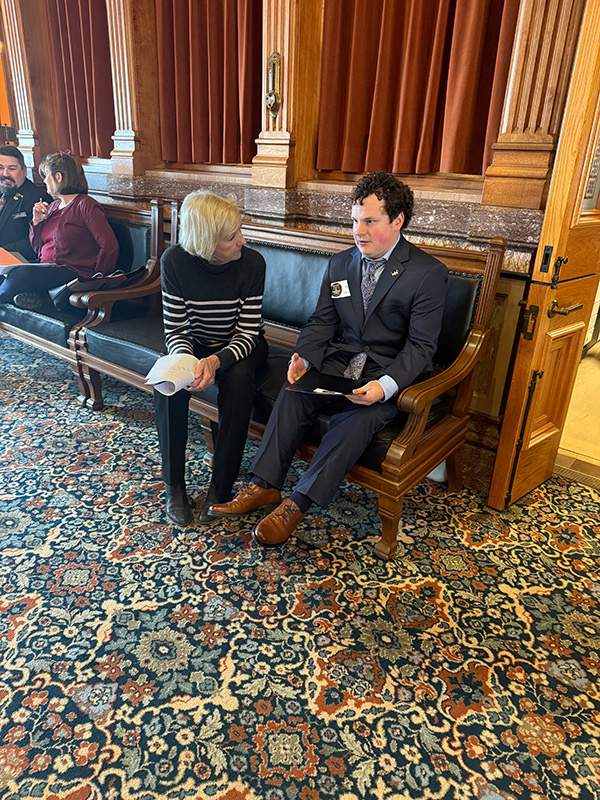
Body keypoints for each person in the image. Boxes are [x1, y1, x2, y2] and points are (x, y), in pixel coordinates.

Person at [209, 171, 448, 546]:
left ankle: (297, 503)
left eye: (370, 221)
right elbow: (322, 320)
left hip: (385, 374)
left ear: (397, 220)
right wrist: (305, 356)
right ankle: (264, 486)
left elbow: (421, 348)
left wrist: (384, 387)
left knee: (357, 419)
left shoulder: (427, 274)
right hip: (340, 364)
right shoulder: (340, 264)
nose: (358, 231)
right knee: (293, 392)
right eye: (355, 220)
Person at [154, 190, 268, 527]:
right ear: (206, 241)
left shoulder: (252, 264)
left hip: (242, 344)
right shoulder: (173, 262)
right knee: (168, 384)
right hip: (194, 344)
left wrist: (215, 362)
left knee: (238, 380)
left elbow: (248, 333)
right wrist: (188, 362)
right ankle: (174, 485)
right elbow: (175, 330)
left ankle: (221, 487)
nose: (242, 241)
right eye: (232, 237)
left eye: (240, 231)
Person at [0, 151, 119, 310]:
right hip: (48, 269)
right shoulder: (53, 206)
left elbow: (109, 245)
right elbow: (38, 248)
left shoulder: (85, 205)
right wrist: (36, 223)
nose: (44, 181)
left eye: (46, 176)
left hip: (73, 272)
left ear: (58, 177)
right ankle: (41, 298)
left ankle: (39, 297)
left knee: (19, 276)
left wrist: (97, 278)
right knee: (13, 272)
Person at [0, 144, 51, 262]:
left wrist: (2, 252)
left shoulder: (39, 198)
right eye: (0, 167)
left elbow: (35, 242)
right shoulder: (2, 192)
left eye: (12, 169)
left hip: (19, 265)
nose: (5, 174)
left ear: (24, 170)